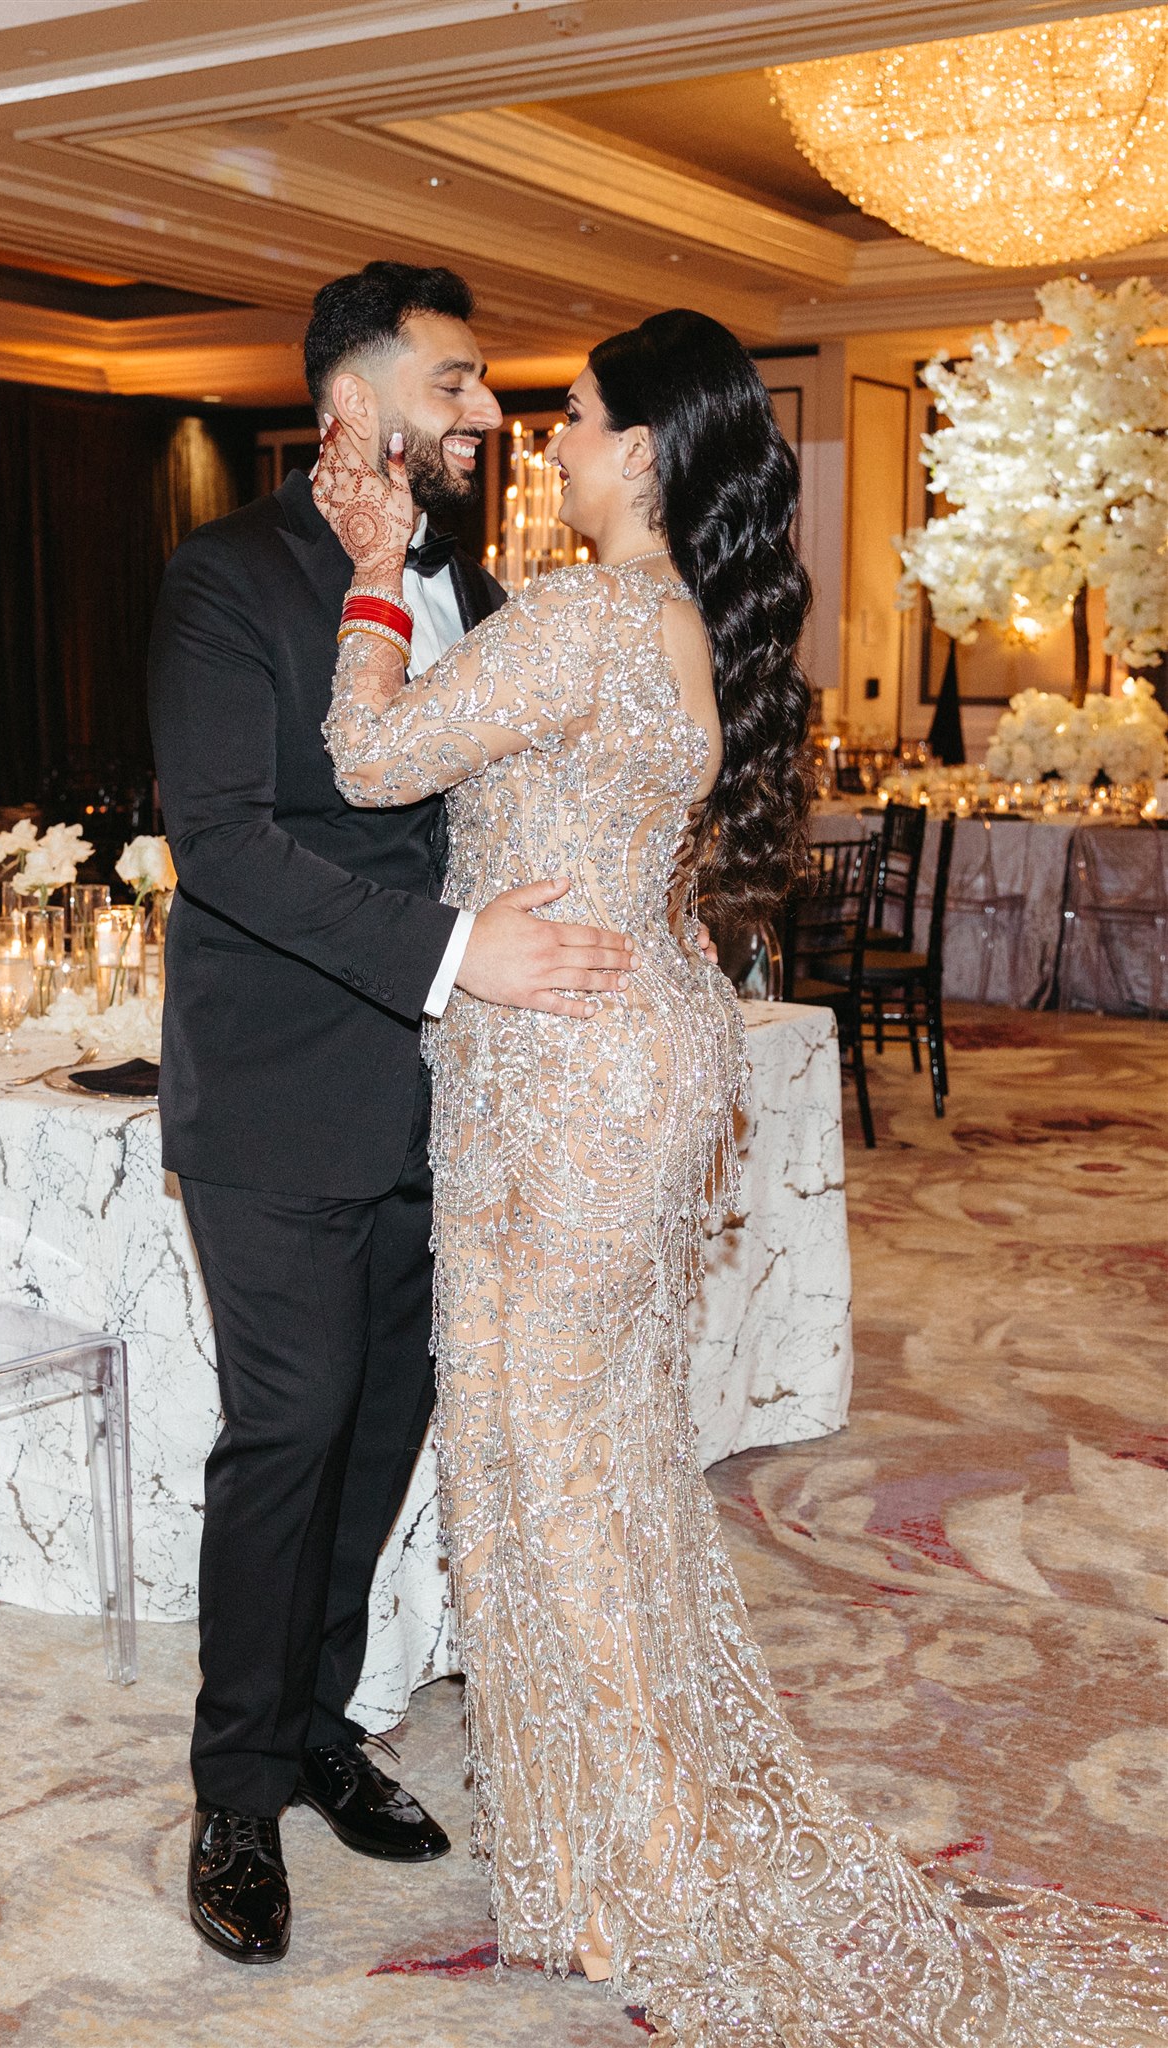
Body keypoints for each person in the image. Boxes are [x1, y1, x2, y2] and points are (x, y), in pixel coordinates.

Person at [314, 310, 1168, 2043]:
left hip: (563, 1075)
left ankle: (640, 1861)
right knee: (602, 1448)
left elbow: (369, 757)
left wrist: (374, 578)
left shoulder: (585, 617)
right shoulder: (686, 627)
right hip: (640, 1049)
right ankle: (618, 1839)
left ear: (641, 452)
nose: (550, 440)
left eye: (574, 416)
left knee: (547, 1463)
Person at [148, 262, 640, 1966]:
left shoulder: (480, 593)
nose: (489, 412)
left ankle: (316, 1727)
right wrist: (453, 955)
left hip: (447, 1107)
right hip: (277, 1095)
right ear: (352, 404)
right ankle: (232, 1786)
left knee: (379, 1431)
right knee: (289, 1430)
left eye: (491, 385)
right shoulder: (225, 577)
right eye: (457, 381)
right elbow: (227, 845)